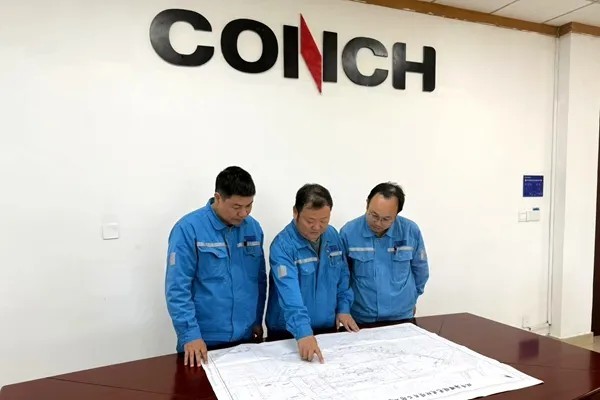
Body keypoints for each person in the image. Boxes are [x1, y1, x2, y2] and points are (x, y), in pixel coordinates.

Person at [165, 166, 267, 367]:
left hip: (246, 337)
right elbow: (177, 288)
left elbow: (259, 280)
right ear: (218, 198)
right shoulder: (188, 229)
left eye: (249, 205)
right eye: (237, 206)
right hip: (203, 340)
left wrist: (257, 319)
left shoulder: (253, 228)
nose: (244, 213)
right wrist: (190, 335)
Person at [265, 184, 358, 363]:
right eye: (310, 221)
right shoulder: (282, 246)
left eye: (324, 220)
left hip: (327, 329)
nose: (317, 227)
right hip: (289, 333)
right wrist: (303, 332)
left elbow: (342, 276)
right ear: (296, 212)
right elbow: (289, 294)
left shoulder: (332, 236)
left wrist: (343, 309)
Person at [340, 182, 429, 325]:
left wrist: (412, 297)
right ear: (367, 204)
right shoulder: (349, 232)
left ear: (396, 214)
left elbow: (421, 271)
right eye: (374, 215)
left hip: (402, 316)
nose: (378, 223)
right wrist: (343, 309)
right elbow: (342, 276)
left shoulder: (410, 231)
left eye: (386, 219)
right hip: (362, 318)